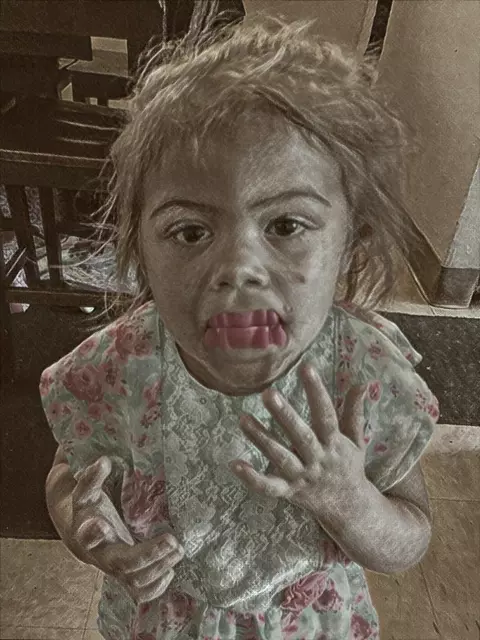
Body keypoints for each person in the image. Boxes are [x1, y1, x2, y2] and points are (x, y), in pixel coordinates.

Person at [41, 3, 440, 639]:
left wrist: (348, 501)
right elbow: (69, 475)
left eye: (286, 225)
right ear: (139, 251)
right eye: (190, 231)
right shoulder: (120, 366)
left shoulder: (360, 376)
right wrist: (87, 528)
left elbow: (410, 537)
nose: (238, 269)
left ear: (351, 244)